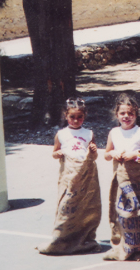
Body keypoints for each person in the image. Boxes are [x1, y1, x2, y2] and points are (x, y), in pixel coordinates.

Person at [38, 97, 102, 255]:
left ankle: (84, 238)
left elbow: (93, 157)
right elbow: (54, 152)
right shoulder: (61, 134)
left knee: (85, 205)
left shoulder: (88, 133)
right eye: (72, 117)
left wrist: (93, 151)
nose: (76, 120)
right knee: (66, 204)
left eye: (79, 117)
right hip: (69, 175)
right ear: (65, 116)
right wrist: (57, 153)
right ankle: (61, 238)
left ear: (84, 117)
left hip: (85, 175)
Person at [103, 92, 140, 261]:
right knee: (122, 212)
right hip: (120, 178)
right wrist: (114, 153)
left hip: (137, 179)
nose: (126, 117)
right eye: (122, 113)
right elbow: (106, 154)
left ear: (136, 114)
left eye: (130, 113)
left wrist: (135, 155)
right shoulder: (114, 132)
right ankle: (123, 246)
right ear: (117, 115)